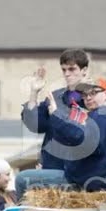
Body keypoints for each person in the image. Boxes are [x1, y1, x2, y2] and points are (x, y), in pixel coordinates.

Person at [15, 48, 90, 199]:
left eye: (72, 69)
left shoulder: (92, 98)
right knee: (24, 182)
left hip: (79, 173)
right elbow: (34, 125)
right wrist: (34, 93)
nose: (67, 74)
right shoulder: (55, 98)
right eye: (64, 70)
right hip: (52, 168)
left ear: (84, 70)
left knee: (22, 179)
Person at [43, 78, 106, 191]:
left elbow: (82, 139)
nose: (88, 98)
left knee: (23, 178)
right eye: (84, 95)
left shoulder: (101, 115)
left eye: (93, 93)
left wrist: (56, 115)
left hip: (98, 182)